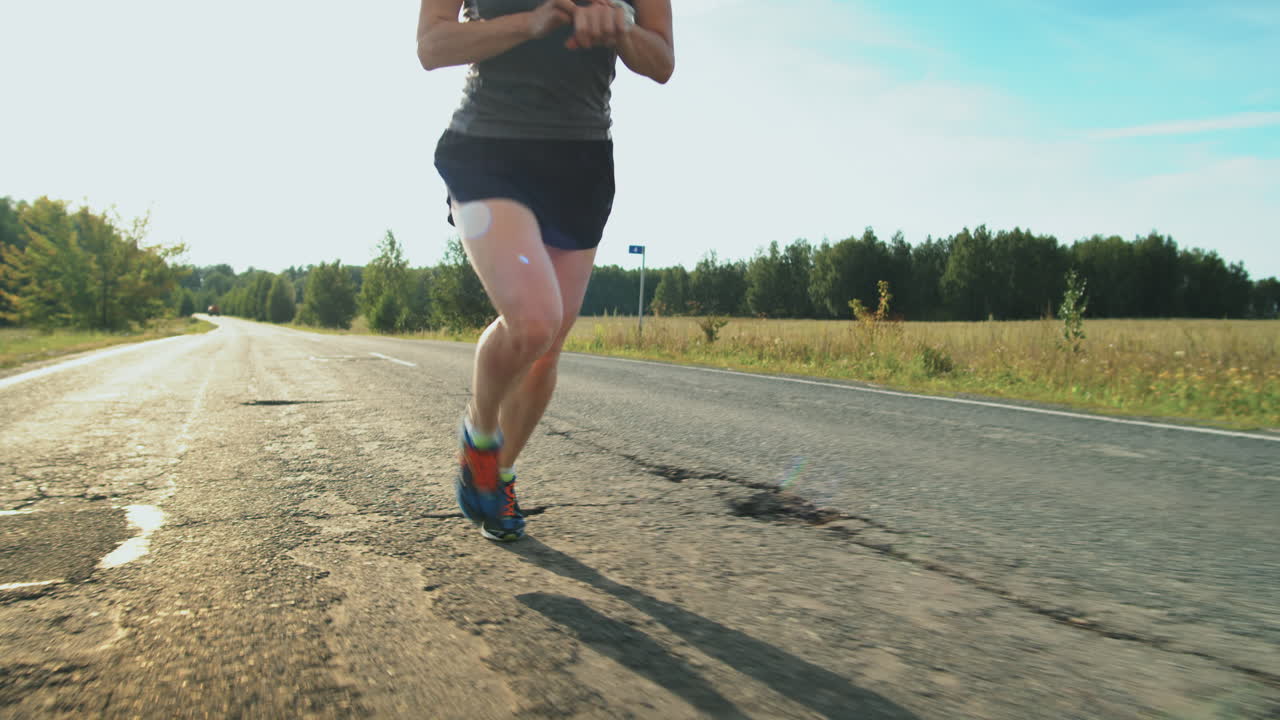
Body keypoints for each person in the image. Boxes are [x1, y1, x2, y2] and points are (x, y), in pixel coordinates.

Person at [417, 0, 675, 541]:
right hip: (488, 149)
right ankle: (480, 438)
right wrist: (528, 24)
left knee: (547, 345)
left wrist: (622, 29)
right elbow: (432, 45)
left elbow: (661, 61)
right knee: (534, 319)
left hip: (579, 163)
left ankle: (500, 474)